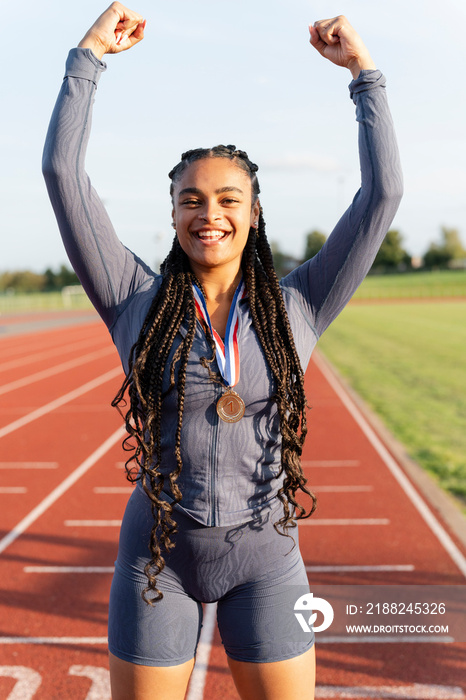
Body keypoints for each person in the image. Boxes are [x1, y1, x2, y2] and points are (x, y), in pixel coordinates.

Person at [42, 4, 402, 698]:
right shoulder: (130, 296)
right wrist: (88, 57)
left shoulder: (301, 302)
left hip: (268, 558)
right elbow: (63, 176)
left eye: (229, 199)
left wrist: (365, 75)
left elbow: (383, 195)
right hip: (158, 560)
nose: (210, 213)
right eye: (191, 200)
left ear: (254, 213)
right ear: (173, 212)